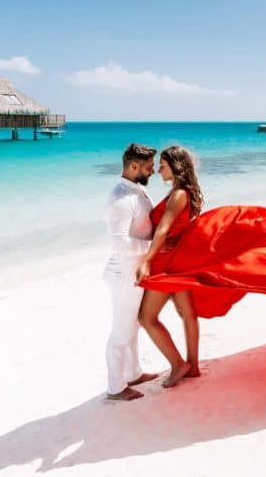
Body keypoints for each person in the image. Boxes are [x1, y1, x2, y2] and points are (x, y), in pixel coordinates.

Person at [135, 145, 204, 388]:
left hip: (167, 264)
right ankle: (192, 366)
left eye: (162, 166)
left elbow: (163, 229)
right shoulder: (182, 192)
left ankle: (178, 364)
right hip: (178, 261)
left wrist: (146, 261)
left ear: (175, 167)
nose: (158, 170)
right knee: (187, 313)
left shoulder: (178, 195)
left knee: (146, 317)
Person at [103, 143, 159, 401]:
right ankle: (115, 387)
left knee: (133, 326)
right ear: (133, 166)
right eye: (148, 167)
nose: (153, 171)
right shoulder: (121, 199)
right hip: (124, 273)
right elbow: (119, 243)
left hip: (136, 270)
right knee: (121, 332)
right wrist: (156, 245)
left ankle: (134, 372)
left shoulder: (136, 191)